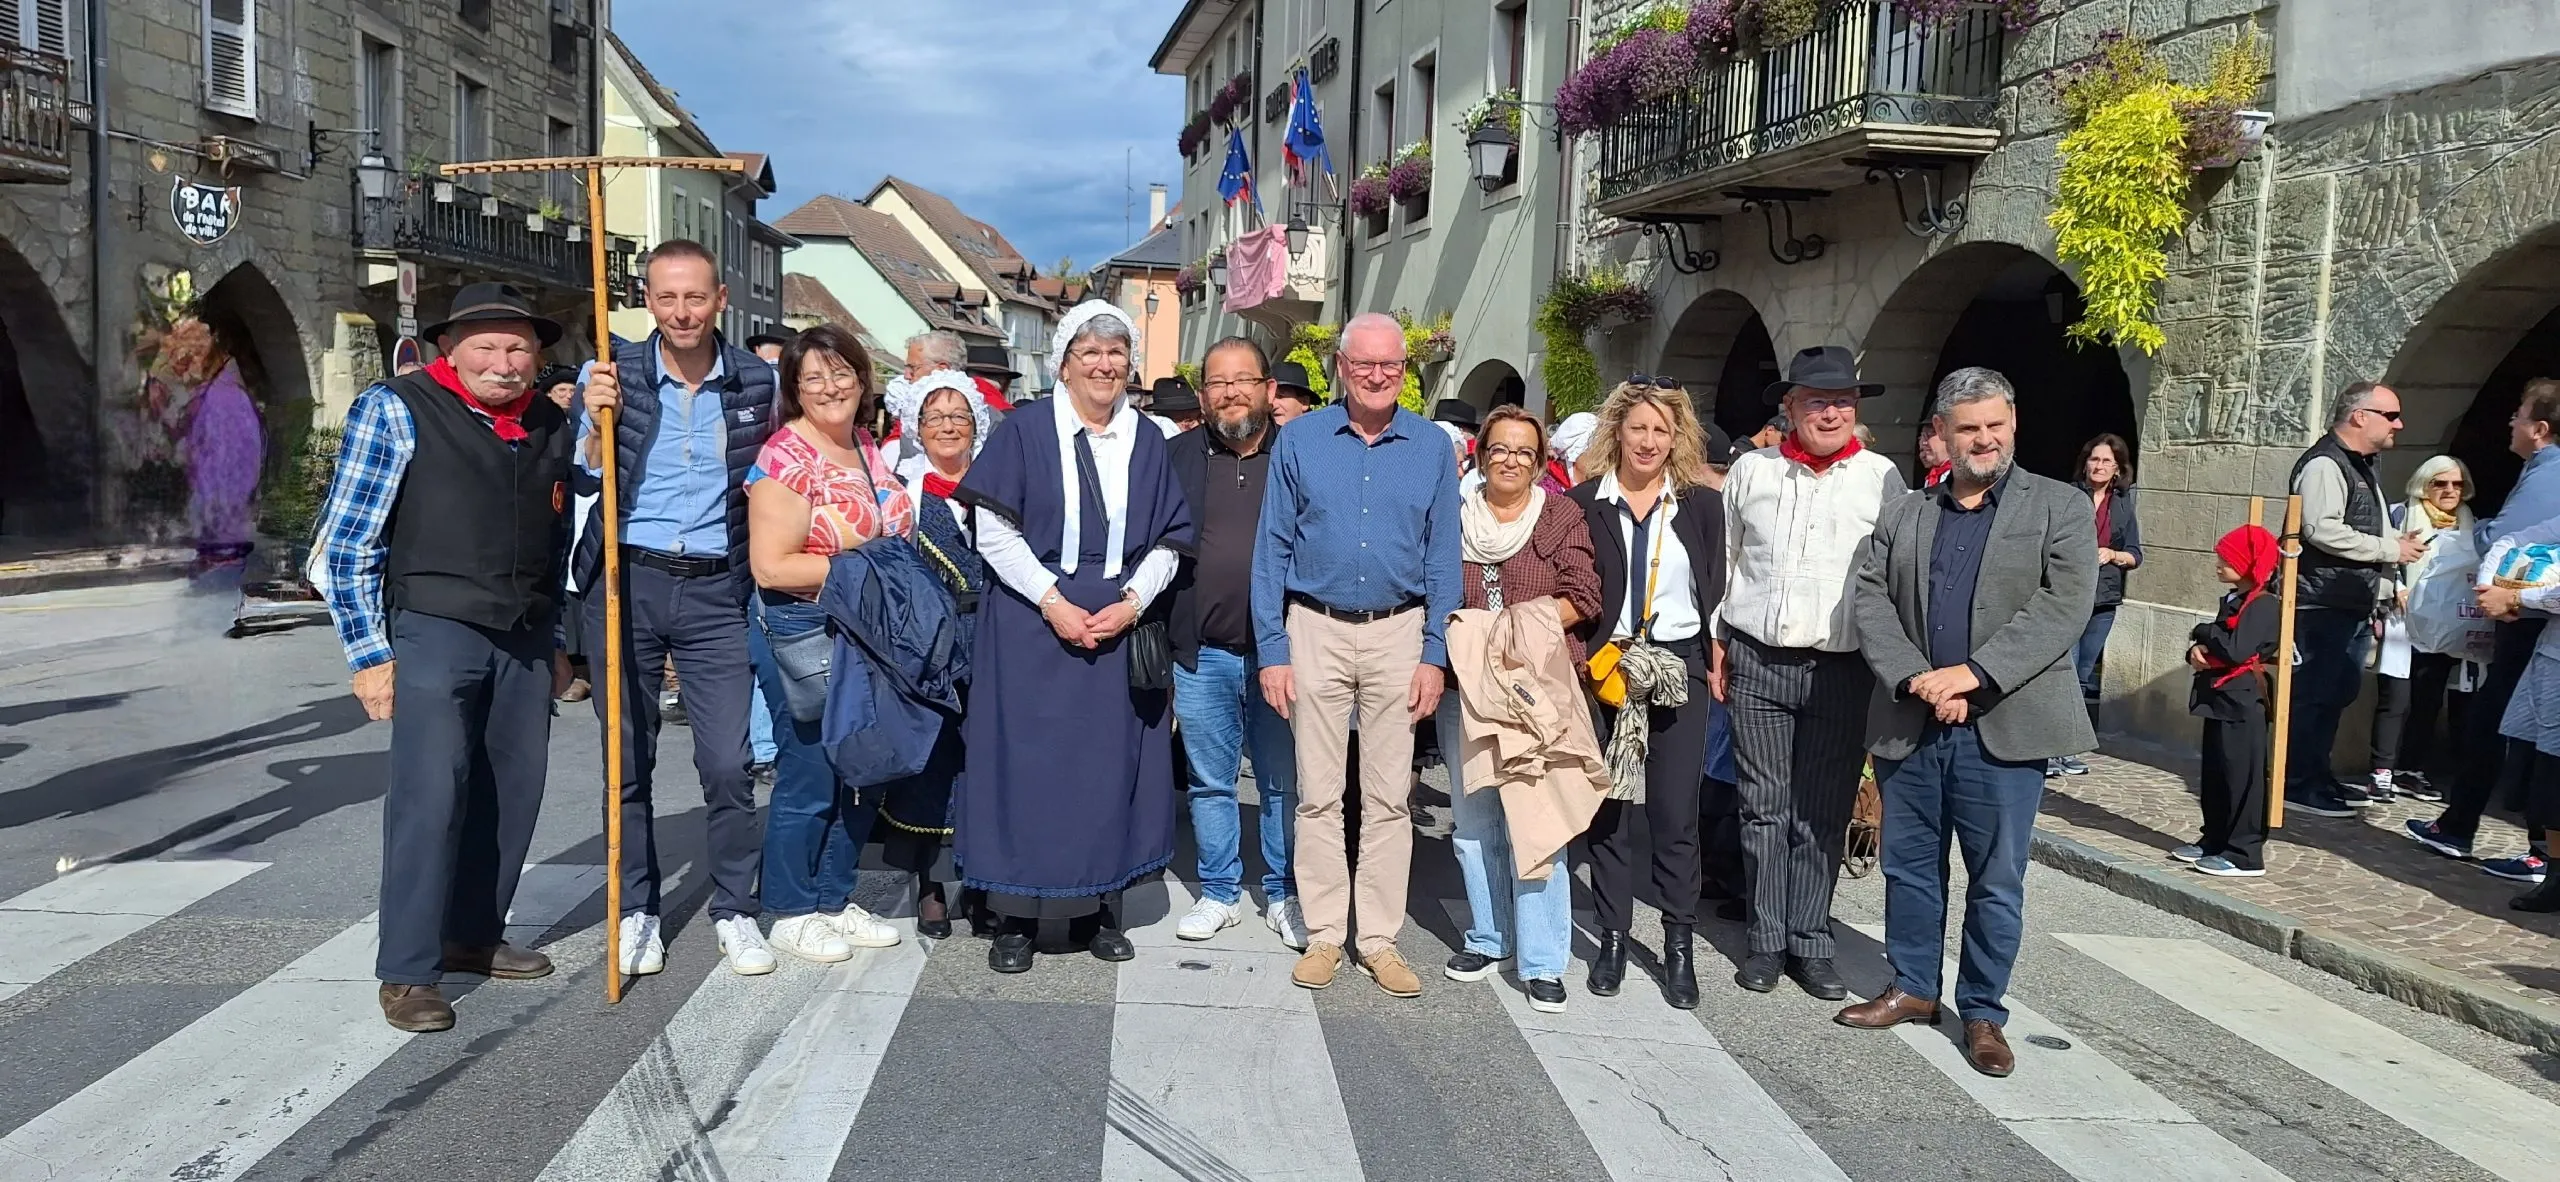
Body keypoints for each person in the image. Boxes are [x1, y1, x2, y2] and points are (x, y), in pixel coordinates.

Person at [311, 282, 576, 1031]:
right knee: (432, 794)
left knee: (512, 787)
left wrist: (556, 641)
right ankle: (407, 969)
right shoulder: (396, 408)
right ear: (449, 349)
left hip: (522, 631)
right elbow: (344, 545)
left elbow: (557, 547)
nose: (505, 360)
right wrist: (369, 653)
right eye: (487, 346)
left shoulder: (550, 424)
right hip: (434, 625)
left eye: (519, 346)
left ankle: (473, 934)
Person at [1837, 367, 2095, 1079]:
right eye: (1967, 428)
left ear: (2013, 423)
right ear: (1942, 435)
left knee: (1996, 879)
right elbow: (1870, 598)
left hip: (2003, 727)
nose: (1983, 439)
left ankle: (1982, 1010)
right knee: (1909, 869)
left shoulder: (2060, 507)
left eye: (1994, 425)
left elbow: (2062, 606)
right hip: (1911, 720)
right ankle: (1916, 987)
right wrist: (1920, 677)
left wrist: (1973, 675)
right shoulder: (1906, 512)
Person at [953, 300, 1191, 972]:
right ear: (1064, 364)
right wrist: (1051, 600)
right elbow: (993, 530)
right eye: (1090, 351)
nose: (1105, 364)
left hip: (1116, 625)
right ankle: (1014, 916)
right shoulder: (1024, 431)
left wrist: (1133, 601)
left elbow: (1170, 539)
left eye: (1116, 353)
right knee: (1024, 769)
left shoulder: (1147, 439)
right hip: (1030, 625)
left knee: (1104, 771)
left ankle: (1094, 909)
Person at [575, 239, 778, 978]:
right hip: (627, 579)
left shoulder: (756, 380)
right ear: (648, 301)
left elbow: (778, 472)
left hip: (718, 586)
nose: (682, 312)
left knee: (728, 761)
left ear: (721, 299)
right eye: (667, 298)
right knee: (625, 760)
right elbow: (583, 475)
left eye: (695, 297)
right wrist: (595, 426)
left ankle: (734, 908)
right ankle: (636, 911)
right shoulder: (613, 371)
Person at [1253, 311, 1461, 999]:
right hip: (1314, 627)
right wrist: (1274, 650)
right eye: (1365, 364)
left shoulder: (1430, 446)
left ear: (1406, 371)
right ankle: (1322, 934)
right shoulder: (1301, 440)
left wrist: (1434, 654)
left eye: (1391, 366)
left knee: (1388, 798)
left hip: (1398, 632)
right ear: (1339, 367)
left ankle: (1377, 938)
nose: (1378, 376)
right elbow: (1272, 550)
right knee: (1318, 794)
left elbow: (1441, 559)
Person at [1714, 345, 1906, 1000]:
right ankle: (1767, 940)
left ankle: (1811, 940)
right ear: (1789, 406)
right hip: (1760, 659)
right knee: (1762, 806)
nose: (1832, 412)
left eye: (1843, 401)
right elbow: (1729, 563)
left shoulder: (1882, 480)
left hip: (1842, 668)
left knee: (1820, 812)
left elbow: (1898, 576)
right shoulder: (1752, 474)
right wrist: (1720, 639)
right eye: (1817, 401)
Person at [740, 324, 914, 964]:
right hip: (805, 631)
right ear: (794, 390)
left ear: (863, 380)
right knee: (810, 774)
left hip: (868, 632)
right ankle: (789, 908)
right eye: (813, 377)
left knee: (862, 771)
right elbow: (773, 567)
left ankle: (834, 896)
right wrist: (866, 563)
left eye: (841, 372)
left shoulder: (866, 447)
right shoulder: (785, 459)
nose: (831, 386)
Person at [1440, 404, 1604, 1013]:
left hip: (1534, 693)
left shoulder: (1558, 514)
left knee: (1535, 824)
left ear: (1540, 464)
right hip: (1465, 692)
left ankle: (1540, 960)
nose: (1510, 459)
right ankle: (1488, 937)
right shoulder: (1452, 514)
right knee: (1473, 818)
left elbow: (1584, 595)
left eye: (1524, 452)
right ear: (1481, 454)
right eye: (1500, 449)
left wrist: (1506, 631)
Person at [1568, 379, 1724, 1008]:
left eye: (1661, 431)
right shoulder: (1583, 504)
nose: (1649, 442)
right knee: (1609, 810)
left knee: (1673, 812)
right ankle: (1611, 936)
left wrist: (1717, 656)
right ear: (1617, 433)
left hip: (1677, 669)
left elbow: (1714, 587)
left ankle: (1678, 943)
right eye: (1638, 429)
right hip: (1607, 670)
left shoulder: (1700, 507)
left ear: (1677, 439)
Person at [1168, 337, 1303, 946]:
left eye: (1243, 381)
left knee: (1281, 780)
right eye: (1218, 383)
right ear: (1203, 394)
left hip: (1283, 654)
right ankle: (1219, 891)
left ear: (1269, 391)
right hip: (1203, 652)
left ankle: (1284, 891)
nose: (1230, 393)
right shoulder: (1174, 459)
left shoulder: (1298, 457)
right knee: (1212, 779)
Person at [2411, 379, 2560, 875]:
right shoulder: (2540, 468)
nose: (2510, 423)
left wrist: (2492, 537)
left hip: (2535, 621)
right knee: (2506, 724)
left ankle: (2538, 852)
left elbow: (2506, 537)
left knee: (2525, 731)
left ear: (2539, 428)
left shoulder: (2550, 472)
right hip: (2533, 617)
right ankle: (2464, 824)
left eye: (2519, 415)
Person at [2285, 380, 2424, 817]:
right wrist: (2389, 550)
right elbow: (2319, 528)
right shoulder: (2327, 464)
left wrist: (2390, 560)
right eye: (2391, 415)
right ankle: (2296, 782)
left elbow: (2360, 528)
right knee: (2315, 695)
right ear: (2360, 416)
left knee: (2336, 693)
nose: (2399, 424)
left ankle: (2316, 774)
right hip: (2322, 600)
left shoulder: (2363, 464)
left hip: (2349, 600)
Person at [900, 364, 995, 938]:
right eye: (935, 417)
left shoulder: (995, 483)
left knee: (984, 762)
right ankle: (929, 886)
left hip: (989, 638)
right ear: (917, 427)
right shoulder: (901, 489)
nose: (947, 426)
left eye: (958, 415)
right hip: (928, 643)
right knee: (930, 761)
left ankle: (982, 880)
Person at [2177, 525, 2284, 878]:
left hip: (2243, 700)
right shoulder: (2234, 598)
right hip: (2220, 697)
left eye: (2227, 558)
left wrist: (2203, 632)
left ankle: (2244, 851)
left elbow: (2237, 649)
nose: (2219, 564)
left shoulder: (2265, 603)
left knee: (2243, 777)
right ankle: (2216, 837)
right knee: (2217, 774)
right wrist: (2198, 647)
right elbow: (2220, 644)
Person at [2371, 456, 2476, 804]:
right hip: (2403, 619)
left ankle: (2410, 770)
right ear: (2424, 483)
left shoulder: (2468, 525)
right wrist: (2396, 586)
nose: (2450, 491)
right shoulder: (2401, 515)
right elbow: (2381, 556)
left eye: (2457, 485)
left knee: (2428, 701)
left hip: (2442, 625)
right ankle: (2382, 771)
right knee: (2395, 698)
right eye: (2440, 483)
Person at [2472, 515, 2560, 910]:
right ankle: (2555, 877)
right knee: (2548, 777)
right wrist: (2489, 586)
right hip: (2551, 658)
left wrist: (2517, 598)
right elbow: (2512, 539)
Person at [2054, 433, 2141, 777]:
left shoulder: (2122, 504)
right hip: (2067, 595)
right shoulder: (2067, 496)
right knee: (2063, 672)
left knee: (2082, 676)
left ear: (2118, 468)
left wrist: (2114, 555)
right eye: (2094, 459)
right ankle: (2049, 749)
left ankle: (2067, 749)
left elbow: (2136, 554)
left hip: (2103, 599)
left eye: (2106, 461)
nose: (2099, 466)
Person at [1915, 419, 1951, 488]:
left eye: (1931, 434)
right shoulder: (1932, 477)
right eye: (1922, 436)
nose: (1924, 443)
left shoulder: (1960, 476)